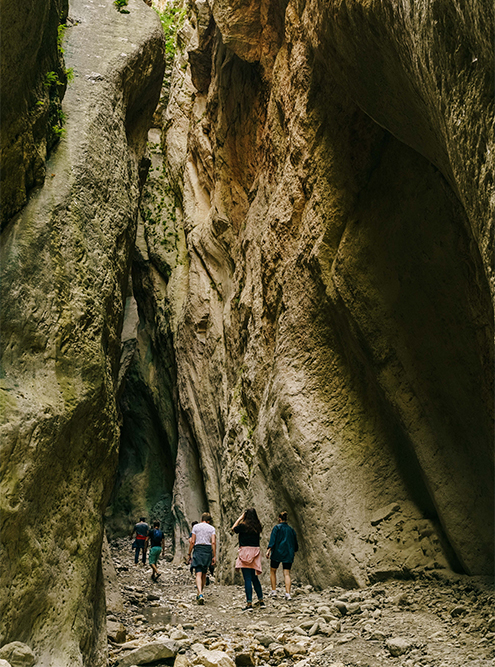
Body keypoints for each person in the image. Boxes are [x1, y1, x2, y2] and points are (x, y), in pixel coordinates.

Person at [232, 508, 265, 612]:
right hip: (255, 552)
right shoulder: (257, 526)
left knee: (247, 578)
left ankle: (249, 603)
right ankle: (261, 601)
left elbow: (233, 528)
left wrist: (241, 518)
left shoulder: (243, 526)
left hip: (244, 552)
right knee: (254, 578)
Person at [266, 510, 298, 600]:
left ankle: (274, 591)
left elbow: (273, 540)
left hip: (277, 553)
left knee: (273, 571)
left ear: (279, 519)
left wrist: (268, 550)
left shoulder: (277, 528)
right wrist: (294, 551)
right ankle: (288, 594)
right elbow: (295, 542)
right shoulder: (291, 530)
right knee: (286, 573)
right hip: (288, 553)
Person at [188, 512, 216, 605]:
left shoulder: (195, 527)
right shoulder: (212, 528)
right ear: (209, 521)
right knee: (204, 573)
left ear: (201, 519)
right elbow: (213, 542)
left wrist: (189, 553)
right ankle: (200, 593)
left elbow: (192, 541)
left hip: (198, 549)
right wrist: (214, 555)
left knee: (198, 573)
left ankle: (200, 593)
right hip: (207, 550)